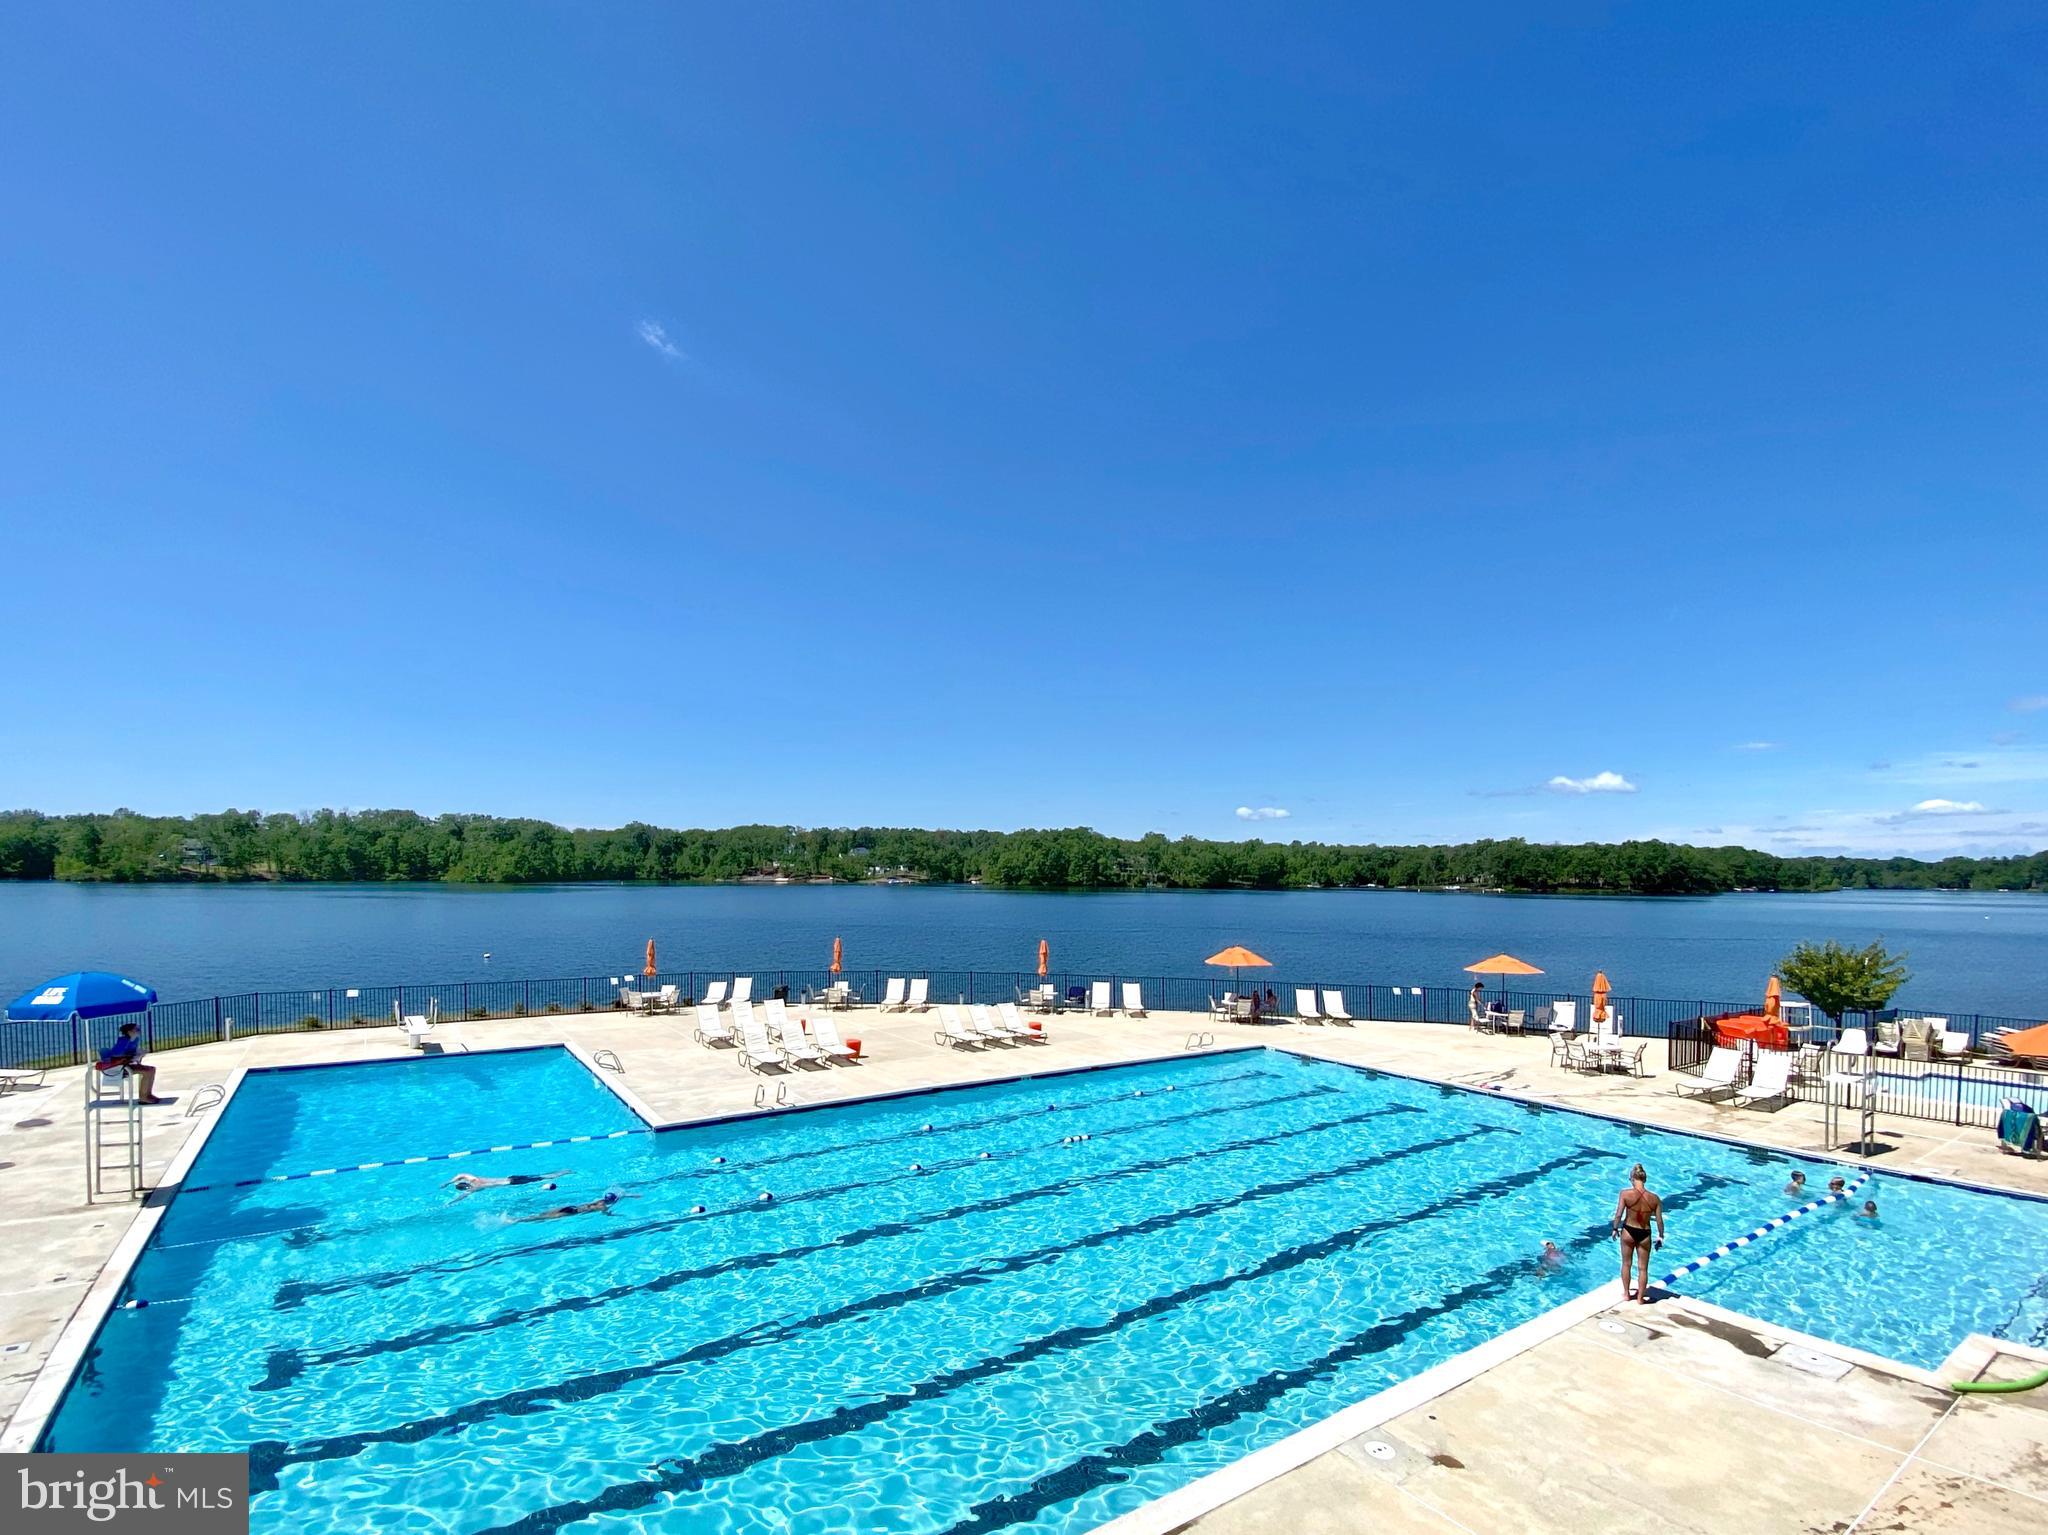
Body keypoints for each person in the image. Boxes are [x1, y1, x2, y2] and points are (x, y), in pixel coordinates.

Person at [1611, 1163, 1665, 1303]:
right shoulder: (1655, 1198)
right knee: (1643, 1268)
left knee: (1626, 1264)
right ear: (1644, 1179)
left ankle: (1627, 1294)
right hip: (1645, 1233)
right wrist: (1660, 1236)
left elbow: (1618, 1215)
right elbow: (1659, 1221)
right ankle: (1640, 1298)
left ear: (1632, 1178)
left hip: (1628, 1230)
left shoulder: (1625, 1194)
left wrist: (1615, 1228)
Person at [97, 1022, 164, 1104]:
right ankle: (143, 1097)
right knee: (147, 1072)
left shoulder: (135, 1040)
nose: (139, 1031)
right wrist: (132, 1056)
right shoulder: (122, 1041)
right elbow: (116, 1055)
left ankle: (148, 1094)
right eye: (137, 1030)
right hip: (118, 1068)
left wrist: (138, 1053)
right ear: (129, 1032)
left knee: (152, 1069)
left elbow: (132, 1052)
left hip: (126, 1065)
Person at [512, 1190, 625, 1224]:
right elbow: (607, 1214)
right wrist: (616, 1214)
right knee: (542, 1218)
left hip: (570, 1207)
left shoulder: (598, 1201)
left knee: (542, 1215)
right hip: (571, 1213)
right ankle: (518, 1220)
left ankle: (518, 1218)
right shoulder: (603, 1207)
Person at [449, 1170, 568, 1199]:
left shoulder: (475, 1188)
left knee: (540, 1179)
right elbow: (461, 1174)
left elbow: (462, 1197)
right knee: (541, 1176)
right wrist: (448, 1182)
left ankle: (562, 1173)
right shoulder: (474, 1179)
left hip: (513, 1182)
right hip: (512, 1177)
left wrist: (450, 1202)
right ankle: (563, 1171)